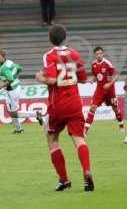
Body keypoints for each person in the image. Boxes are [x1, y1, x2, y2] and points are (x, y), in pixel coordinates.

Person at [35, 24, 94, 192]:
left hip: (58, 105)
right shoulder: (74, 54)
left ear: (50, 39)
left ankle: (64, 180)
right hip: (75, 103)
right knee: (79, 139)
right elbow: (82, 78)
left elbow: (53, 80)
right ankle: (87, 171)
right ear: (65, 37)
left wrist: (40, 77)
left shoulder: (49, 55)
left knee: (52, 139)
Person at [0, 51, 43, 133]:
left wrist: (1, 86)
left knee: (13, 112)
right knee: (11, 111)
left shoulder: (4, 68)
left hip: (12, 90)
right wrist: (15, 76)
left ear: (3, 56)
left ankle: (34, 115)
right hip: (15, 87)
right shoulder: (9, 62)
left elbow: (10, 79)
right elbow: (19, 68)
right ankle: (19, 129)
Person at [85, 46, 124, 134]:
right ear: (95, 55)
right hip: (99, 90)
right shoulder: (93, 64)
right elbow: (97, 76)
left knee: (115, 108)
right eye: (97, 54)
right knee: (92, 108)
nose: (99, 55)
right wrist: (92, 80)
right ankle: (85, 131)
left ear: (103, 54)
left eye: (100, 53)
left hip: (110, 90)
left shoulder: (107, 64)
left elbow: (116, 76)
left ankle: (121, 124)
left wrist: (109, 84)